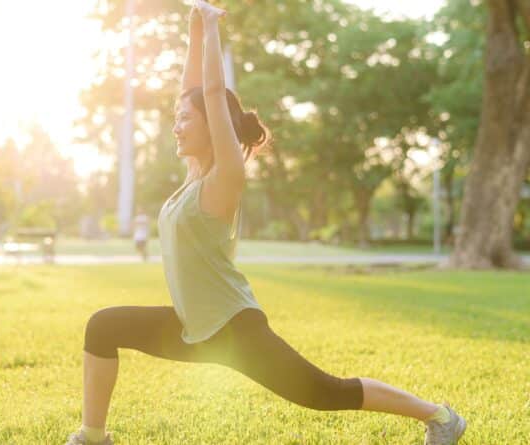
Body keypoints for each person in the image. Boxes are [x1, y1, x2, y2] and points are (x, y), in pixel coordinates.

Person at [65, 2, 466, 444]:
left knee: (324, 392)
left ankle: (441, 417)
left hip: (233, 328)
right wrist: (193, 33)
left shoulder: (224, 178)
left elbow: (211, 94)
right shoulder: (193, 177)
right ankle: (92, 437)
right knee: (103, 326)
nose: (176, 127)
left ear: (212, 127)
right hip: (190, 327)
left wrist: (212, 28)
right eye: (175, 119)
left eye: (184, 120)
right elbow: (194, 90)